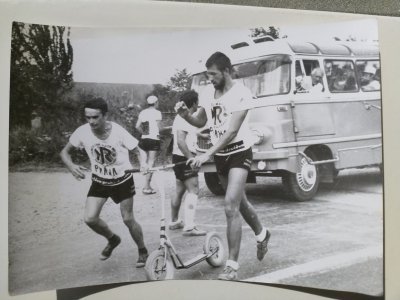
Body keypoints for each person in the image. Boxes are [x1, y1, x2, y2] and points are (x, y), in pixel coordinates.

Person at [175, 52, 271, 280]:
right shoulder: (208, 93)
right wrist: (185, 115)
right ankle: (262, 233)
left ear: (226, 71)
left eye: (213, 74)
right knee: (240, 202)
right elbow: (201, 121)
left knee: (230, 206)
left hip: (239, 152)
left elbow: (231, 132)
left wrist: (205, 154)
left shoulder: (241, 93)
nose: (210, 79)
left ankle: (232, 266)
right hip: (222, 155)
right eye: (207, 75)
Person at [60, 97, 149, 267]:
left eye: (95, 117)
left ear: (105, 115)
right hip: (100, 181)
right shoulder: (82, 132)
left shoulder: (118, 131)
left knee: (128, 219)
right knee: (90, 218)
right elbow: (64, 152)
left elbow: (139, 151)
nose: (91, 121)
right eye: (88, 117)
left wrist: (143, 164)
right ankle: (113, 239)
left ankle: (142, 250)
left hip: (122, 180)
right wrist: (71, 167)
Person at [169, 90, 207, 237]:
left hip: (178, 157)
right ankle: (189, 227)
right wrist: (190, 158)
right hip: (184, 157)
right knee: (194, 190)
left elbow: (186, 133)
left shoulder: (183, 118)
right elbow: (180, 140)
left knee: (179, 189)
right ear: (194, 103)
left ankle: (174, 221)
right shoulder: (183, 119)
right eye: (198, 101)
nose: (199, 104)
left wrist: (199, 134)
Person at [135, 95, 162, 195]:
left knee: (144, 162)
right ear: (155, 103)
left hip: (144, 139)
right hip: (153, 139)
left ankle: (147, 185)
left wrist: (143, 133)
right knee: (151, 163)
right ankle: (147, 186)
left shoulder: (143, 112)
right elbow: (159, 129)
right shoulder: (157, 113)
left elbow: (137, 126)